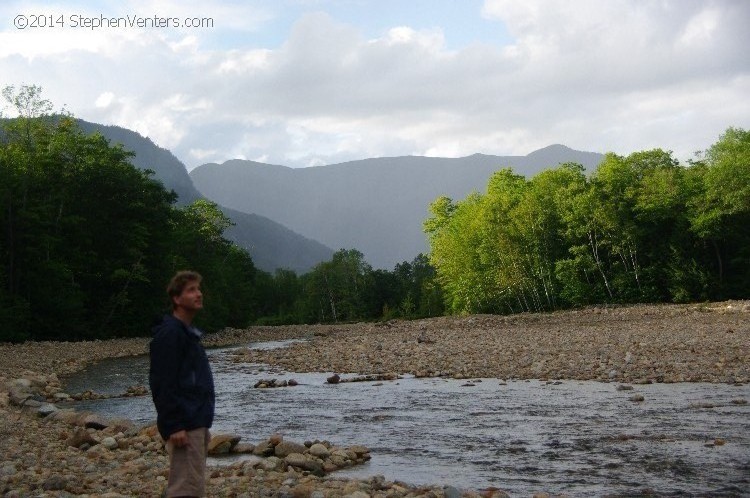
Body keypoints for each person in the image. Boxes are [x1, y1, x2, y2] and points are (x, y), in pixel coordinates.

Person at [149, 271, 215, 498]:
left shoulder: (186, 334)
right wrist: (174, 424)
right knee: (186, 490)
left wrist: (202, 425)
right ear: (177, 299)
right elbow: (162, 382)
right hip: (185, 423)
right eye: (191, 290)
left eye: (198, 289)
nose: (199, 294)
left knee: (192, 486)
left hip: (194, 421)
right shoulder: (170, 335)